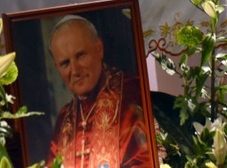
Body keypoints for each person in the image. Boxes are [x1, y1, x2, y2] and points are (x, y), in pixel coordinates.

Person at [46, 16, 153, 167]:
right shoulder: (64, 119)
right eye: (65, 63)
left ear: (99, 49)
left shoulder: (133, 92)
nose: (75, 70)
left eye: (80, 55)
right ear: (57, 68)